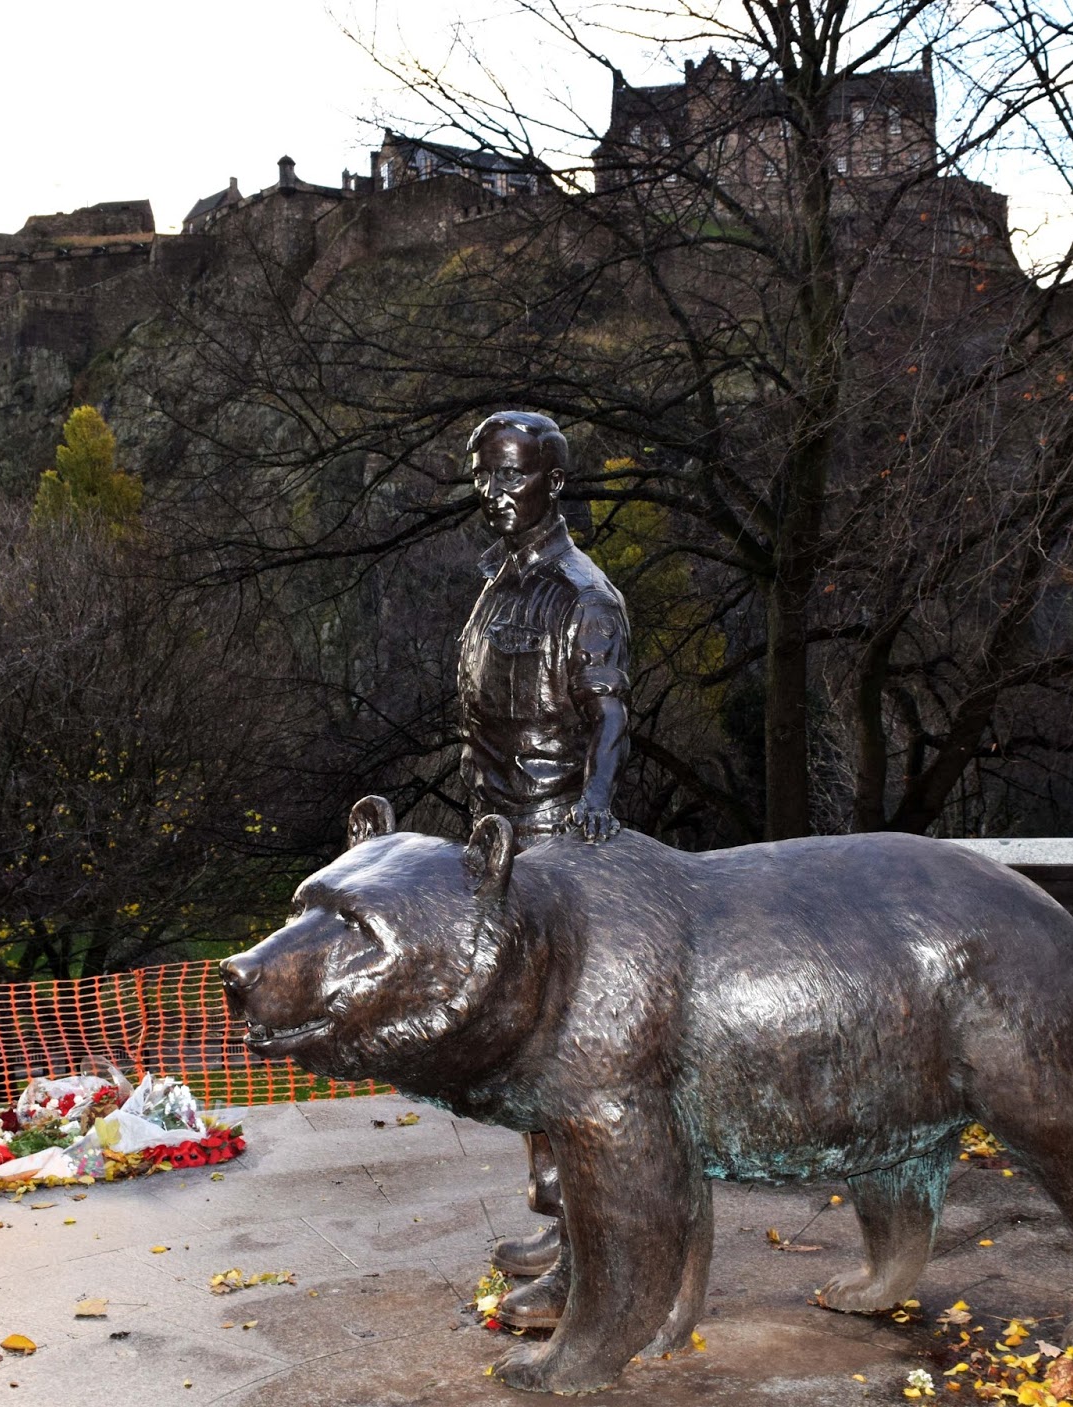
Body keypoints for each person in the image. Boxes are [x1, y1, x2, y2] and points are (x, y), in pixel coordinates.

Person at [457, 410, 631, 1327]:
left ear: (552, 482)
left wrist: (596, 804)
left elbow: (610, 716)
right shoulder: (498, 585)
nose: (494, 492)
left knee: (565, 1052)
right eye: (483, 474)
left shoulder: (581, 591)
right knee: (525, 1045)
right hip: (501, 837)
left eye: (511, 476)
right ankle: (557, 1218)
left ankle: (588, 1249)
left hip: (559, 841)